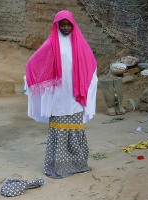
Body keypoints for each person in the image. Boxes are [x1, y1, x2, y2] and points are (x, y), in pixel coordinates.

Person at [25, 10, 98, 179]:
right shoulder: (51, 43)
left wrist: (90, 81)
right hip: (58, 94)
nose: (65, 28)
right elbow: (34, 62)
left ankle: (78, 164)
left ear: (73, 25)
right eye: (62, 25)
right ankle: (59, 166)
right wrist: (29, 78)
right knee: (59, 127)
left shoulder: (79, 42)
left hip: (75, 94)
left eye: (68, 25)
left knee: (75, 127)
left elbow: (90, 64)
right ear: (56, 25)